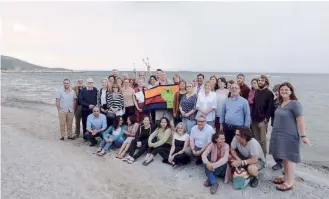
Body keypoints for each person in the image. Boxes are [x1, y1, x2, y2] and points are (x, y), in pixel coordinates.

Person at [269, 82, 310, 191]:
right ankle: (285, 177)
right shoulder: (280, 103)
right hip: (279, 135)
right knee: (284, 158)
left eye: (286, 89)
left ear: (291, 91)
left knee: (289, 159)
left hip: (289, 136)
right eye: (281, 90)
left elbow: (300, 120)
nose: (283, 91)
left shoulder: (294, 104)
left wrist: (303, 135)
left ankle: (289, 183)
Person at [251, 75, 274, 157]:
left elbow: (270, 108)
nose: (260, 82)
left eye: (262, 81)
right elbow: (254, 105)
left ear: (266, 83)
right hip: (254, 120)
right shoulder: (256, 91)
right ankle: (258, 156)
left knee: (263, 140)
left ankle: (263, 157)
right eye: (259, 80)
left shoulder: (269, 93)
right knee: (256, 140)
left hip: (262, 121)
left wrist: (266, 119)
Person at [270, 84, 283, 171]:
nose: (276, 92)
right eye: (274, 91)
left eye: (277, 91)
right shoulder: (274, 102)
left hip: (285, 128)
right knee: (274, 146)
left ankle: (286, 166)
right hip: (275, 126)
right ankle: (278, 162)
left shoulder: (287, 102)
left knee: (284, 147)